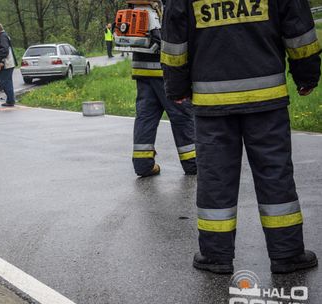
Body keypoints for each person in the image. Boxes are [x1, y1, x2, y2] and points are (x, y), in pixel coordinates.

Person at [162, 0, 321, 274]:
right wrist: (307, 75)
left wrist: (177, 88)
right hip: (266, 100)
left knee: (215, 178)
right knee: (275, 174)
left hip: (212, 104)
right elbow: (298, 30)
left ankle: (216, 256)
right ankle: (287, 254)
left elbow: (175, 41)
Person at [131, 2, 196, 178]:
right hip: (163, 68)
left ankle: (143, 165)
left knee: (145, 116)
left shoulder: (138, 6)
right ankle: (192, 163)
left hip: (141, 68)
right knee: (181, 115)